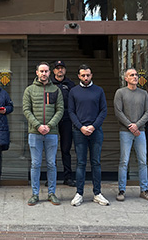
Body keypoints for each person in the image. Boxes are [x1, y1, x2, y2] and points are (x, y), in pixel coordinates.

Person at [67, 65, 109, 207]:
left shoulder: (99, 90)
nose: (86, 78)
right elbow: (71, 112)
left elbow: (103, 111)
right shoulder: (73, 91)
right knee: (80, 163)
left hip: (96, 131)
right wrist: (81, 127)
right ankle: (79, 193)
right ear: (78, 76)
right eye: (83, 75)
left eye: (88, 75)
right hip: (79, 132)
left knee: (96, 162)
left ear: (92, 75)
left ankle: (97, 193)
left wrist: (93, 126)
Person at [22, 61, 63, 206]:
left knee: (52, 164)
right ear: (37, 73)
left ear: (49, 73)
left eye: (46, 71)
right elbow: (26, 110)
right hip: (35, 133)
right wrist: (38, 126)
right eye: (41, 71)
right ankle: (35, 194)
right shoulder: (29, 90)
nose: (44, 73)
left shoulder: (56, 90)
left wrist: (50, 125)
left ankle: (52, 193)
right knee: (35, 164)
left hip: (52, 133)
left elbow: (60, 110)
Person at [114, 68, 148, 202]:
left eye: (136, 75)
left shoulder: (143, 94)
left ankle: (144, 190)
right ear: (126, 78)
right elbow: (118, 112)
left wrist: (137, 125)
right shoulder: (120, 93)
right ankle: (121, 190)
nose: (135, 77)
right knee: (124, 161)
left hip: (140, 131)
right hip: (125, 131)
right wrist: (131, 126)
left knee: (143, 161)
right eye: (131, 75)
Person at [51, 60, 76, 186]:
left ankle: (68, 177)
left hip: (66, 120)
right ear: (54, 71)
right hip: (52, 120)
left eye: (62, 68)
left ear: (65, 70)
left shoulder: (70, 84)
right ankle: (52, 178)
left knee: (66, 149)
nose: (60, 70)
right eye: (57, 68)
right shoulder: (48, 84)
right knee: (52, 150)